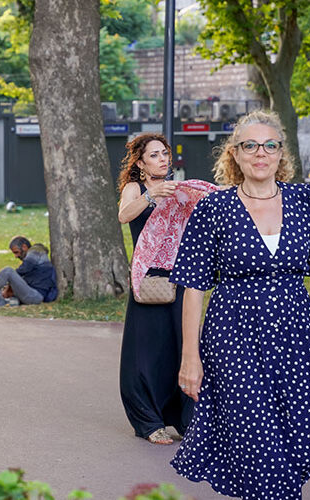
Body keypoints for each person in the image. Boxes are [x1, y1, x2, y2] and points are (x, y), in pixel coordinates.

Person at [170, 110, 310, 498]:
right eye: (250, 145)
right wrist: (190, 357)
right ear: (235, 155)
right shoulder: (214, 209)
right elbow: (193, 287)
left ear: (281, 154)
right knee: (256, 440)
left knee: (294, 440)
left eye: (270, 145)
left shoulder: (307, 201)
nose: (260, 153)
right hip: (233, 338)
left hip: (294, 340)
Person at [112, 133, 193, 446]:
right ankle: (148, 420)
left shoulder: (179, 189)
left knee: (181, 347)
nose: (163, 159)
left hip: (180, 277)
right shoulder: (136, 188)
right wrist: (152, 194)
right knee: (145, 352)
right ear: (141, 163)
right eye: (155, 155)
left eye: (165, 154)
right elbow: (123, 216)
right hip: (147, 279)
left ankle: (185, 418)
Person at [0, 236, 58, 307]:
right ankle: (7, 300)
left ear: (24, 247)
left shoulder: (36, 252)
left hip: (35, 296)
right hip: (30, 292)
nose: (16, 256)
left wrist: (9, 286)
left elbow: (21, 271)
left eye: (16, 252)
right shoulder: (35, 256)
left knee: (8, 271)